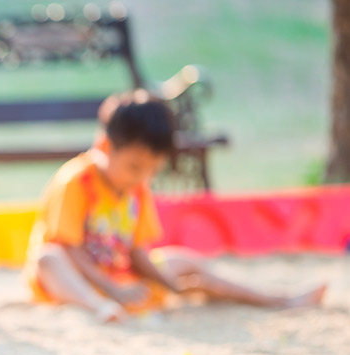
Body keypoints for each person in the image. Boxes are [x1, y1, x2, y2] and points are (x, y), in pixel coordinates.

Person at [23, 90, 326, 322]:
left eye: (152, 169)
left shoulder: (136, 188)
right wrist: (113, 291)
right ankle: (101, 308)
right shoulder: (77, 181)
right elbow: (69, 249)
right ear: (104, 147)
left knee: (183, 261)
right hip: (73, 281)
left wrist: (167, 283)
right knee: (48, 258)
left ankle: (276, 300)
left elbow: (137, 251)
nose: (142, 177)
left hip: (119, 276)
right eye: (134, 166)